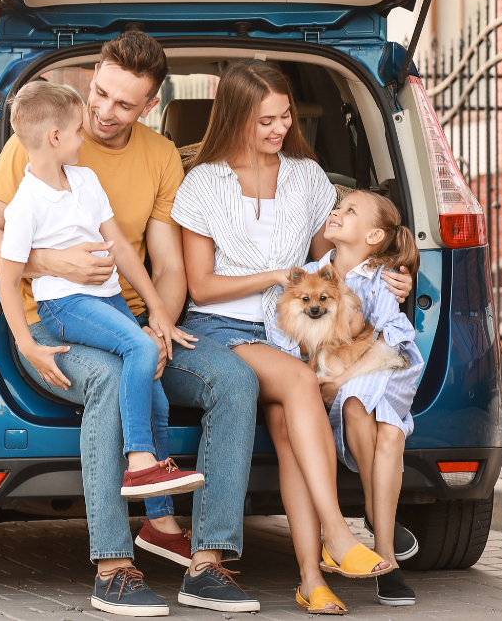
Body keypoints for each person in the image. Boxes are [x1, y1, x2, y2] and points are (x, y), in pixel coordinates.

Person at [0, 32, 262, 617]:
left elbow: (169, 264)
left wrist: (161, 325)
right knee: (108, 376)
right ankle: (113, 567)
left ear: (149, 106)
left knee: (235, 381)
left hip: (129, 318)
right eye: (99, 93)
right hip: (57, 327)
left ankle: (207, 561)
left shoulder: (160, 156)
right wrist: (52, 262)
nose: (103, 112)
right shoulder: (41, 143)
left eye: (123, 104)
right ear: (93, 74)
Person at [172, 60, 413, 616]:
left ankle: (311, 580)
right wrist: (276, 276)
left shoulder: (307, 177)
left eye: (285, 117)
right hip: (224, 328)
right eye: (265, 121)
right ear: (234, 117)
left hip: (294, 335)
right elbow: (202, 289)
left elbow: (332, 261)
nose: (279, 129)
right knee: (302, 384)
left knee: (286, 426)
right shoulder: (202, 185)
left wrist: (389, 273)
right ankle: (337, 535)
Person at [0, 80, 204, 507]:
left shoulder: (86, 180)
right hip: (65, 306)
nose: (84, 137)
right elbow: (6, 279)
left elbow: (122, 249)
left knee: (157, 396)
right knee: (142, 352)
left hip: (108, 299)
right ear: (56, 138)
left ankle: (158, 516)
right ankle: (139, 461)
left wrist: (156, 308)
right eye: (77, 131)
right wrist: (27, 345)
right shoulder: (25, 204)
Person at [310, 191, 424, 607]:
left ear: (374, 235)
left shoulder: (380, 276)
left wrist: (340, 380)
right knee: (365, 412)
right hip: (350, 378)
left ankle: (384, 547)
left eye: (349, 210)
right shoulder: (312, 276)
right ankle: (384, 534)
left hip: (387, 367)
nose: (337, 213)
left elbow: (393, 341)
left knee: (376, 416)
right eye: (337, 208)